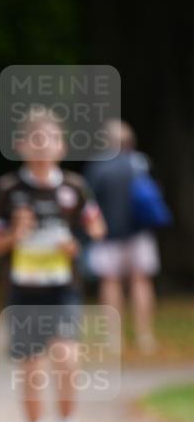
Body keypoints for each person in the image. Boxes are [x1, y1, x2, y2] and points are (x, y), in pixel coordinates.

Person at [0, 107, 107, 422]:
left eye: (50, 140)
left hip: (63, 289)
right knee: (32, 369)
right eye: (34, 140)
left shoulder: (74, 187)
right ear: (21, 145)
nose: (42, 148)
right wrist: (14, 235)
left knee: (67, 357)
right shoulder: (9, 190)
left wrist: (79, 243)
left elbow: (97, 228)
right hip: (24, 291)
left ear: (61, 145)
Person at [83, 120, 165, 355]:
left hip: (107, 235)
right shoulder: (140, 162)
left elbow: (89, 202)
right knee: (141, 281)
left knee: (110, 282)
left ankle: (112, 338)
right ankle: (144, 335)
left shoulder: (97, 167)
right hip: (140, 233)